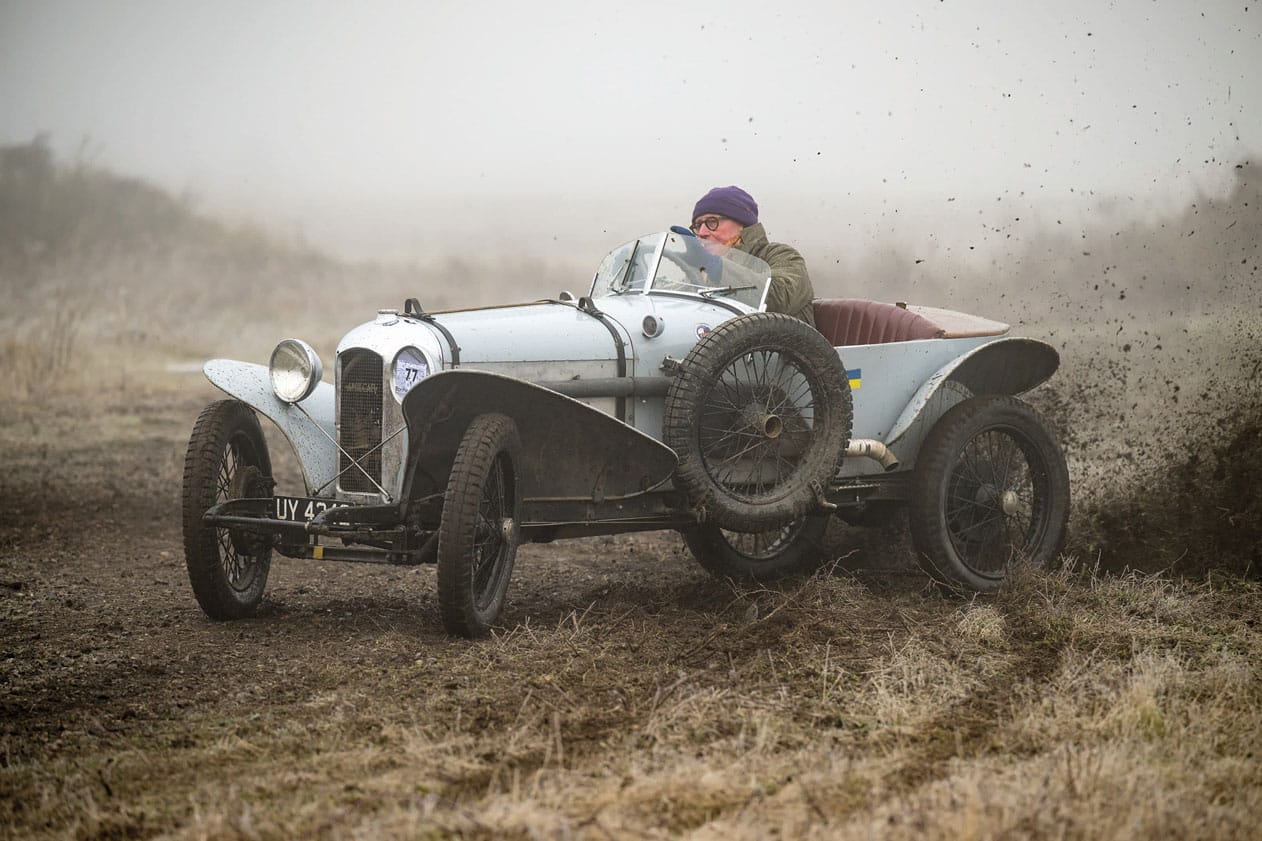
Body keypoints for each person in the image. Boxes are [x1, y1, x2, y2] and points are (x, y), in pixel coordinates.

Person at [688, 185, 816, 326]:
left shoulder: (780, 255)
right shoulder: (703, 269)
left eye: (712, 222)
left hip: (778, 346)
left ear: (741, 223)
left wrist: (720, 269)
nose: (702, 232)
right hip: (724, 347)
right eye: (698, 225)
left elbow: (779, 298)